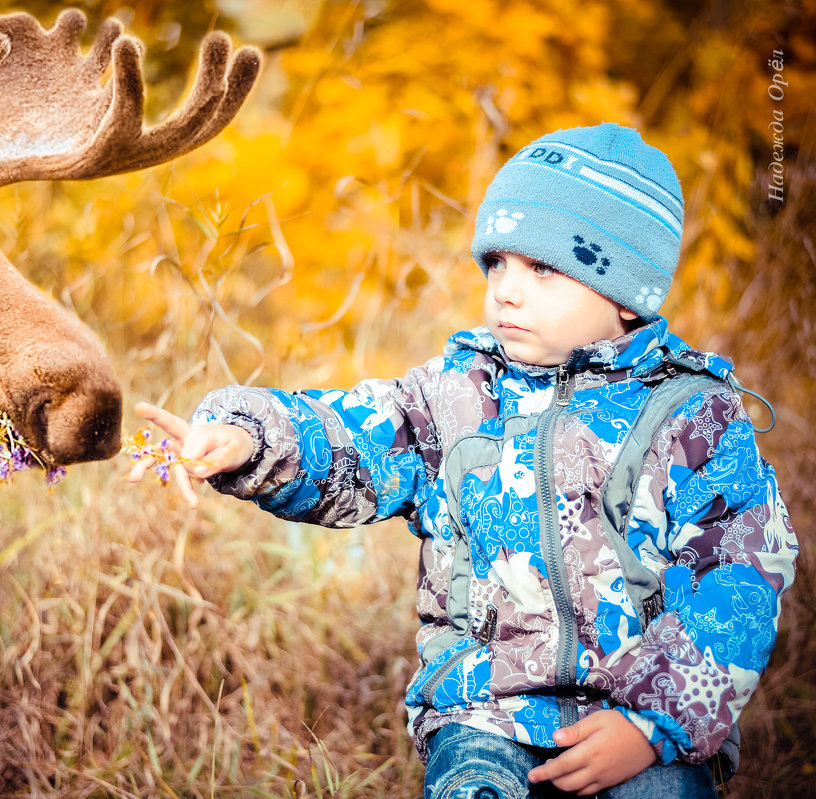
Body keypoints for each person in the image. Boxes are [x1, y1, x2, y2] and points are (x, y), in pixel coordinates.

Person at [127, 123, 797, 798]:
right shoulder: (456, 394)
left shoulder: (692, 417)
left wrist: (656, 725)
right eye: (497, 263)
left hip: (642, 722)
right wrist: (248, 438)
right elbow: (349, 435)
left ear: (627, 295)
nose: (507, 289)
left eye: (542, 268)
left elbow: (740, 574)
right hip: (485, 714)